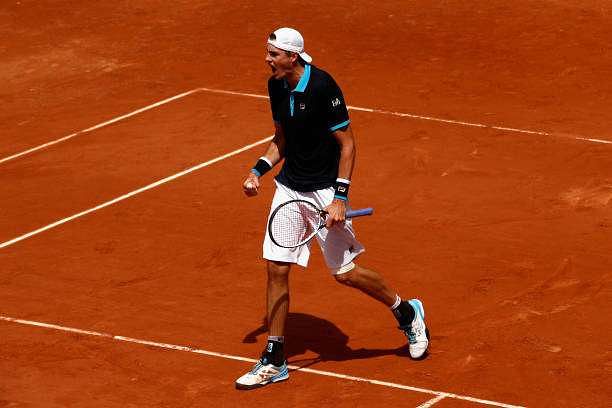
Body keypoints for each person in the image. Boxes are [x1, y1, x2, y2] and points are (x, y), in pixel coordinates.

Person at [235, 27, 429, 390]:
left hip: (325, 191)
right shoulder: (276, 86)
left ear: (292, 56)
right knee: (276, 268)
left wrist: (340, 197)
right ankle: (275, 358)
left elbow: (348, 144)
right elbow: (282, 139)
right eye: (267, 53)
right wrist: (257, 170)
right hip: (289, 188)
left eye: (273, 54)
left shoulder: (323, 87)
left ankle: (406, 311)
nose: (267, 59)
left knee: (345, 273)